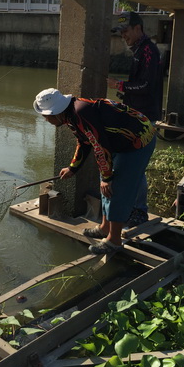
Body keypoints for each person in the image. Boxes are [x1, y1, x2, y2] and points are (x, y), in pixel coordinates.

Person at [33, 88, 156, 255]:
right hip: (117, 141)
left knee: (116, 188)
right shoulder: (71, 115)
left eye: (46, 116)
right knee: (104, 184)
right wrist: (73, 168)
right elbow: (84, 141)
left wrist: (108, 177)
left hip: (138, 140)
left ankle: (114, 240)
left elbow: (99, 147)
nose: (45, 119)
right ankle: (105, 228)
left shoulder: (81, 112)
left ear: (56, 112)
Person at [108, 11, 163, 228]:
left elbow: (146, 87)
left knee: (136, 165)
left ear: (138, 28)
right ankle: (134, 207)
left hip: (145, 118)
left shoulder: (148, 51)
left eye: (126, 30)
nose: (123, 35)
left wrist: (119, 85)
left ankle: (140, 210)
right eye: (120, 31)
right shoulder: (140, 50)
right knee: (132, 163)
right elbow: (140, 86)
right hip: (136, 115)